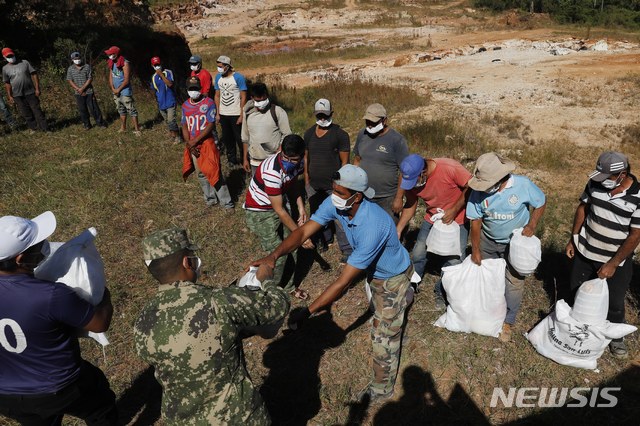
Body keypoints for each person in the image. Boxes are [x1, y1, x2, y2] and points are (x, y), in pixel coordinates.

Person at [252, 164, 414, 403]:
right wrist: (273, 256)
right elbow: (303, 231)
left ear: (357, 196)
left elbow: (342, 284)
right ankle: (399, 306)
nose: (334, 196)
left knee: (383, 336)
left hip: (392, 278)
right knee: (380, 310)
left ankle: (382, 390)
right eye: (334, 190)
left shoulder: (373, 226)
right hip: (375, 271)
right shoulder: (337, 203)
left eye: (340, 193)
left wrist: (306, 312)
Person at [134, 228, 290, 424]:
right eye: (192, 256)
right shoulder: (217, 301)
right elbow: (278, 306)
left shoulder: (143, 321)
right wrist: (266, 279)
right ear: (187, 262)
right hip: (235, 418)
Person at [0, 211, 117, 425]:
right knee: (100, 406)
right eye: (39, 246)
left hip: (6, 396)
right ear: (20, 259)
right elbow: (100, 323)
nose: (44, 247)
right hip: (60, 387)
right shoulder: (51, 295)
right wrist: (104, 296)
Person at [566, 151, 640, 359]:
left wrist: (613, 263)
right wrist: (574, 238)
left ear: (622, 174)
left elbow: (635, 236)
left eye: (606, 177)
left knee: (615, 303)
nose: (601, 181)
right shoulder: (595, 184)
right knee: (576, 292)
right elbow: (583, 208)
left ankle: (616, 339)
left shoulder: (638, 196)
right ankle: (576, 332)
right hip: (586, 252)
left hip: (615, 260)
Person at [466, 152, 546, 342]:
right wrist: (476, 250)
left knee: (514, 283)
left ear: (501, 179)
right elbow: (475, 222)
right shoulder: (477, 192)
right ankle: (489, 312)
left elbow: (540, 202)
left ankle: (507, 321)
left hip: (515, 244)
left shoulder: (522, 185)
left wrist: (532, 224)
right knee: (488, 278)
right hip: (488, 240)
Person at [397, 154, 471, 309]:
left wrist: (454, 209)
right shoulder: (413, 181)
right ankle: (413, 283)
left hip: (457, 220)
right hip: (432, 218)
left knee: (454, 261)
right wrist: (399, 229)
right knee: (418, 253)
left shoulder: (449, 168)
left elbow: (471, 186)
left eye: (414, 181)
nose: (413, 186)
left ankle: (442, 291)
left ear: (423, 172)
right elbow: (411, 204)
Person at [245, 134, 312, 300]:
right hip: (260, 211)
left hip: (278, 205)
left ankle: (288, 287)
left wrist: (301, 207)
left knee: (292, 247)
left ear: (302, 155)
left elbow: (293, 184)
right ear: (280, 150)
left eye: (293, 159)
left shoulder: (299, 164)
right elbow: (279, 210)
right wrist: (302, 236)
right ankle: (267, 292)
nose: (288, 162)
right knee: (276, 255)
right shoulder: (271, 172)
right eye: (285, 157)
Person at [303, 98, 352, 260]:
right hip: (314, 184)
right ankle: (326, 240)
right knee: (318, 214)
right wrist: (307, 178)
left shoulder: (340, 134)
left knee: (340, 217)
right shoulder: (309, 133)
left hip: (334, 185)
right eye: (319, 115)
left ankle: (346, 249)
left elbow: (345, 161)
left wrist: (341, 183)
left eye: (325, 114)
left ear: (331, 113)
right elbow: (306, 157)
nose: (322, 118)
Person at [181, 76, 234, 210]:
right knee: (201, 173)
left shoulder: (209, 103)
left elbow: (210, 124)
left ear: (200, 88)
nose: (194, 91)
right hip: (193, 145)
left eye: (196, 88)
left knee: (214, 171)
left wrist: (195, 140)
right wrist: (189, 144)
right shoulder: (185, 106)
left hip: (207, 143)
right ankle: (210, 199)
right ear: (187, 90)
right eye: (191, 89)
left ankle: (226, 203)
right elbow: (184, 126)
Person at [353, 103, 408, 221]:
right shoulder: (362, 134)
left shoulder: (397, 140)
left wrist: (399, 198)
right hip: (364, 193)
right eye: (367, 122)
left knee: (389, 229)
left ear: (384, 120)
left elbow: (404, 172)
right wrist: (354, 185)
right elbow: (357, 160)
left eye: (373, 122)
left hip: (387, 197)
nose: (370, 125)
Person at [241, 82, 291, 175]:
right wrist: (245, 159)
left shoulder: (278, 111)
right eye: (258, 101)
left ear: (267, 96)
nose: (261, 103)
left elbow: (287, 135)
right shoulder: (247, 112)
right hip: (255, 162)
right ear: (252, 98)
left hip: (274, 161)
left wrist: (280, 150)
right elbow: (245, 138)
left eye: (263, 99)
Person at [2, 47, 47, 132]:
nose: (11, 57)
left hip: (30, 92)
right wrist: (10, 95)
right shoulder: (5, 69)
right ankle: (34, 128)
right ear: (4, 57)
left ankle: (45, 128)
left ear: (14, 54)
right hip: (17, 95)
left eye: (11, 55)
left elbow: (34, 74)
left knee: (37, 110)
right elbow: (7, 83)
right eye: (8, 56)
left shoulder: (24, 62)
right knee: (26, 113)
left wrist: (37, 88)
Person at [214, 55, 247, 165]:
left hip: (236, 113)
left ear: (227, 66)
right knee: (228, 139)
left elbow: (243, 96)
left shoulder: (238, 77)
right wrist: (218, 113)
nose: (218, 68)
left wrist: (242, 115)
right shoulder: (218, 78)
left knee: (240, 138)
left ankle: (244, 160)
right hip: (223, 113)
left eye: (220, 66)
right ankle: (231, 160)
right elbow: (217, 96)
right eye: (217, 66)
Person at [105, 45, 141, 135]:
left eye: (111, 54)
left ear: (116, 54)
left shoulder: (125, 63)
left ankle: (137, 129)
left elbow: (126, 80)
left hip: (125, 91)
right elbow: (110, 76)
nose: (110, 56)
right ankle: (123, 127)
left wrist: (119, 89)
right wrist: (112, 88)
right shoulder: (111, 62)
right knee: (120, 109)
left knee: (131, 109)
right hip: (115, 91)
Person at [66, 51, 107, 130]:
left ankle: (101, 123)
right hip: (78, 93)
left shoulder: (87, 66)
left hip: (89, 92)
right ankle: (87, 125)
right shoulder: (70, 69)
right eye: (75, 58)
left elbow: (90, 78)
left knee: (94, 108)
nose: (77, 60)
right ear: (72, 59)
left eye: (78, 58)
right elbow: (69, 80)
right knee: (82, 110)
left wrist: (82, 88)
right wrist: (78, 89)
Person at [149, 56, 179, 143]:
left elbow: (170, 84)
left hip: (170, 101)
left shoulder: (168, 72)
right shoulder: (153, 77)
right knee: (167, 121)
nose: (157, 66)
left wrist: (161, 75)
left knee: (171, 120)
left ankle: (177, 136)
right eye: (155, 65)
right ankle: (172, 135)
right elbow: (154, 90)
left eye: (158, 64)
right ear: (152, 66)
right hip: (161, 103)